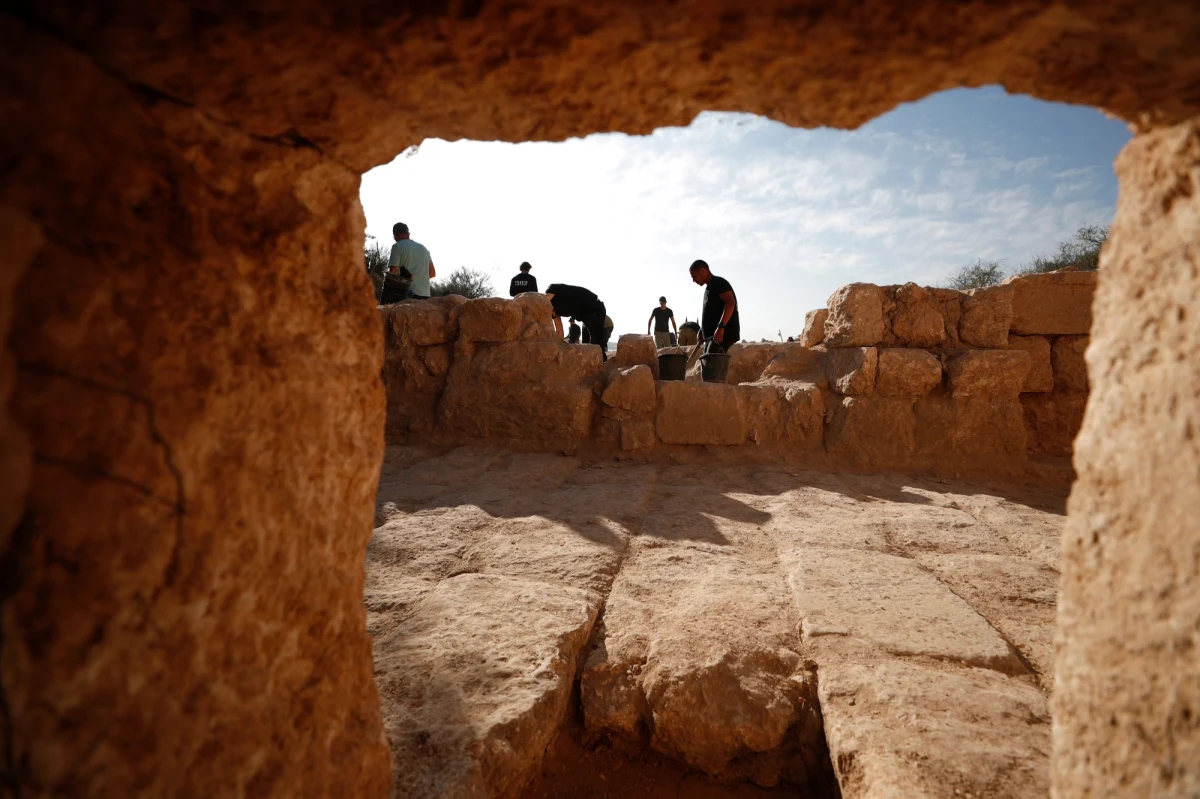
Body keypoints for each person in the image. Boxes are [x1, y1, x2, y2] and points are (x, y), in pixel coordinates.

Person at [545, 283, 610, 361]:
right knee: (586, 344)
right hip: (584, 316)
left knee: (596, 345)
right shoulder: (552, 312)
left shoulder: (552, 288)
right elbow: (559, 332)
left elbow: (544, 301)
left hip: (594, 307)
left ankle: (601, 366)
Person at [688, 259, 740, 353]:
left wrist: (721, 326)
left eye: (694, 276)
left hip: (720, 337)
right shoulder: (709, 288)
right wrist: (702, 330)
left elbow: (730, 303)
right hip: (712, 338)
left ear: (703, 271)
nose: (694, 280)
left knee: (713, 365)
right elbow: (713, 312)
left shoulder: (719, 283)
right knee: (709, 364)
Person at [388, 222, 435, 300]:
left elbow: (393, 271)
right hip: (425, 296)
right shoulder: (424, 249)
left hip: (406, 295)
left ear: (395, 234)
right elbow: (432, 273)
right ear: (408, 234)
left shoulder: (397, 246)